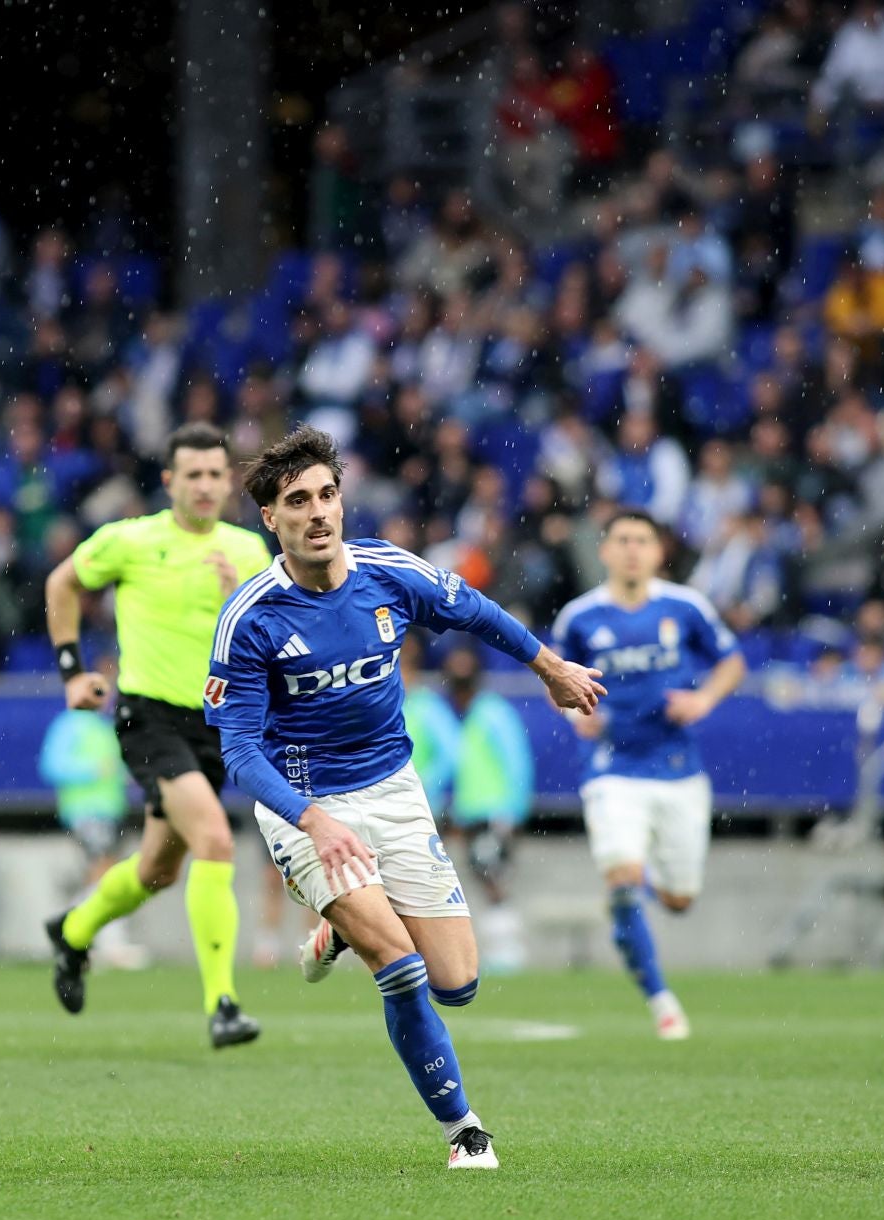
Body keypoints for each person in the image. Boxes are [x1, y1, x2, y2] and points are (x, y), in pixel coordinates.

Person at [207, 427, 605, 1168]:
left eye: (327, 494)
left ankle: (338, 932)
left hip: (392, 789)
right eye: (299, 502)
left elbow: (475, 611)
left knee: (458, 984)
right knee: (402, 968)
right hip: (304, 803)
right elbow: (237, 751)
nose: (319, 512)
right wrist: (312, 819)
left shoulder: (388, 571)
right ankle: (465, 1132)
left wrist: (549, 667)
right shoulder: (251, 618)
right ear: (272, 519)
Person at [42, 422, 274, 1047]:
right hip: (148, 716)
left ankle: (72, 932)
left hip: (213, 724)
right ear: (169, 481)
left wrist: (239, 602)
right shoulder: (132, 540)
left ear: (230, 483)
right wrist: (72, 672)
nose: (203, 486)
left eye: (214, 475)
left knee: (156, 871)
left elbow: (269, 645)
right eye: (191, 475)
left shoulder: (250, 554)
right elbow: (60, 582)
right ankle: (223, 1003)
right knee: (216, 843)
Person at [550, 509, 748, 1041]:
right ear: (606, 551)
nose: (633, 549)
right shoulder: (580, 617)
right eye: (623, 540)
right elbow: (555, 678)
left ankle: (643, 886)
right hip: (614, 768)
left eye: (643, 540)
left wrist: (704, 698)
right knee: (621, 876)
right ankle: (662, 1002)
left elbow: (732, 661)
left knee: (680, 900)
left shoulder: (686, 607)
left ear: (658, 552)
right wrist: (574, 713)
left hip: (679, 769)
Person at [438, 645, 536, 973]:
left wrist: (513, 811)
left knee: (493, 875)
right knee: (484, 874)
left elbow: (517, 762)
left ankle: (508, 950)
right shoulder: (470, 717)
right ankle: (501, 947)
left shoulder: (492, 712)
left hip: (495, 811)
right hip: (472, 813)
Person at [36, 676, 144, 966]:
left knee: (104, 871)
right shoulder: (68, 724)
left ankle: (71, 926)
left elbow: (117, 768)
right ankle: (104, 938)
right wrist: (94, 769)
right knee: (104, 869)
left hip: (110, 809)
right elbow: (52, 766)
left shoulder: (105, 727)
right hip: (84, 809)